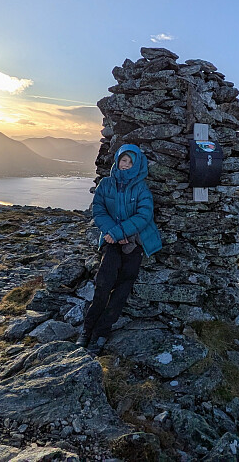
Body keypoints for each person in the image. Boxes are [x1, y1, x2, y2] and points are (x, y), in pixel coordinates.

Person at [77, 144, 162, 353]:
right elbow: (98, 209)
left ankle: (101, 333)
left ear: (138, 165)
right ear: (117, 160)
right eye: (124, 160)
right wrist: (113, 234)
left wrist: (121, 233)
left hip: (135, 241)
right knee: (104, 282)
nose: (126, 165)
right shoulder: (105, 184)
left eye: (131, 162)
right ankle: (87, 330)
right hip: (112, 240)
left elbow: (144, 216)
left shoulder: (141, 188)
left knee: (123, 287)